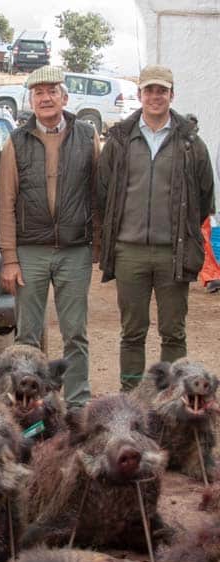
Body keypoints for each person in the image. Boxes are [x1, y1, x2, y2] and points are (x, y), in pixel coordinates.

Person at [97, 65, 214, 390]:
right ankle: (131, 398)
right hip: (129, 251)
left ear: (172, 94)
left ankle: (170, 397)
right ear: (140, 95)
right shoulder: (121, 139)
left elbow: (204, 196)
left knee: (173, 332)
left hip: (172, 254)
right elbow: (103, 192)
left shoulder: (191, 142)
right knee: (132, 331)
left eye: (162, 90)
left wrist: (182, 231)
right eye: (149, 90)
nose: (155, 96)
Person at [0, 65, 101, 409]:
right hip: (30, 252)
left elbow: (99, 193)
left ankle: (76, 405)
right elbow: (5, 201)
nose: (45, 98)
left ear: (64, 97)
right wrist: (9, 258)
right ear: (31, 99)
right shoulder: (16, 141)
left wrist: (96, 242)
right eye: (38, 92)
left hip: (74, 251)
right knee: (27, 337)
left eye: (52, 91)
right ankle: (29, 403)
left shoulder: (87, 136)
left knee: (76, 333)